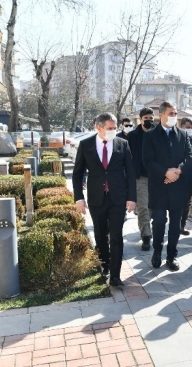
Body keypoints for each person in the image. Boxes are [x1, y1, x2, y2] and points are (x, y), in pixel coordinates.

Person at [72, 113, 136, 288]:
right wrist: (79, 198)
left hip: (118, 198)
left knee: (116, 236)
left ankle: (115, 275)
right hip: (96, 198)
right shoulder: (86, 145)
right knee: (100, 235)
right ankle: (104, 265)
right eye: (110, 128)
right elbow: (77, 174)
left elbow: (131, 173)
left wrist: (131, 197)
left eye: (115, 128)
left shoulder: (122, 144)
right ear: (98, 128)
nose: (113, 131)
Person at [142, 101, 192, 271]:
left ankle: (172, 256)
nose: (174, 116)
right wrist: (165, 172)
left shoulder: (183, 135)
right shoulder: (151, 135)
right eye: (171, 113)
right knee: (158, 221)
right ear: (161, 115)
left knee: (175, 224)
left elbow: (190, 157)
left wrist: (178, 171)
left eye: (175, 113)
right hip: (159, 186)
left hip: (178, 186)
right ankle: (157, 252)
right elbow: (147, 161)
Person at [126, 108, 155, 250]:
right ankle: (146, 236)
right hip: (140, 177)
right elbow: (128, 157)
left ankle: (148, 227)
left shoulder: (158, 133)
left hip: (156, 177)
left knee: (153, 207)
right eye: (146, 118)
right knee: (143, 207)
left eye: (151, 118)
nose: (148, 120)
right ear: (140, 119)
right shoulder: (132, 136)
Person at [180, 117, 192, 235]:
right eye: (187, 127)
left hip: (190, 178)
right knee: (175, 204)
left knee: (186, 203)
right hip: (176, 177)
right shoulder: (176, 139)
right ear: (181, 126)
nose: (190, 129)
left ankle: (182, 226)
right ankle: (174, 225)